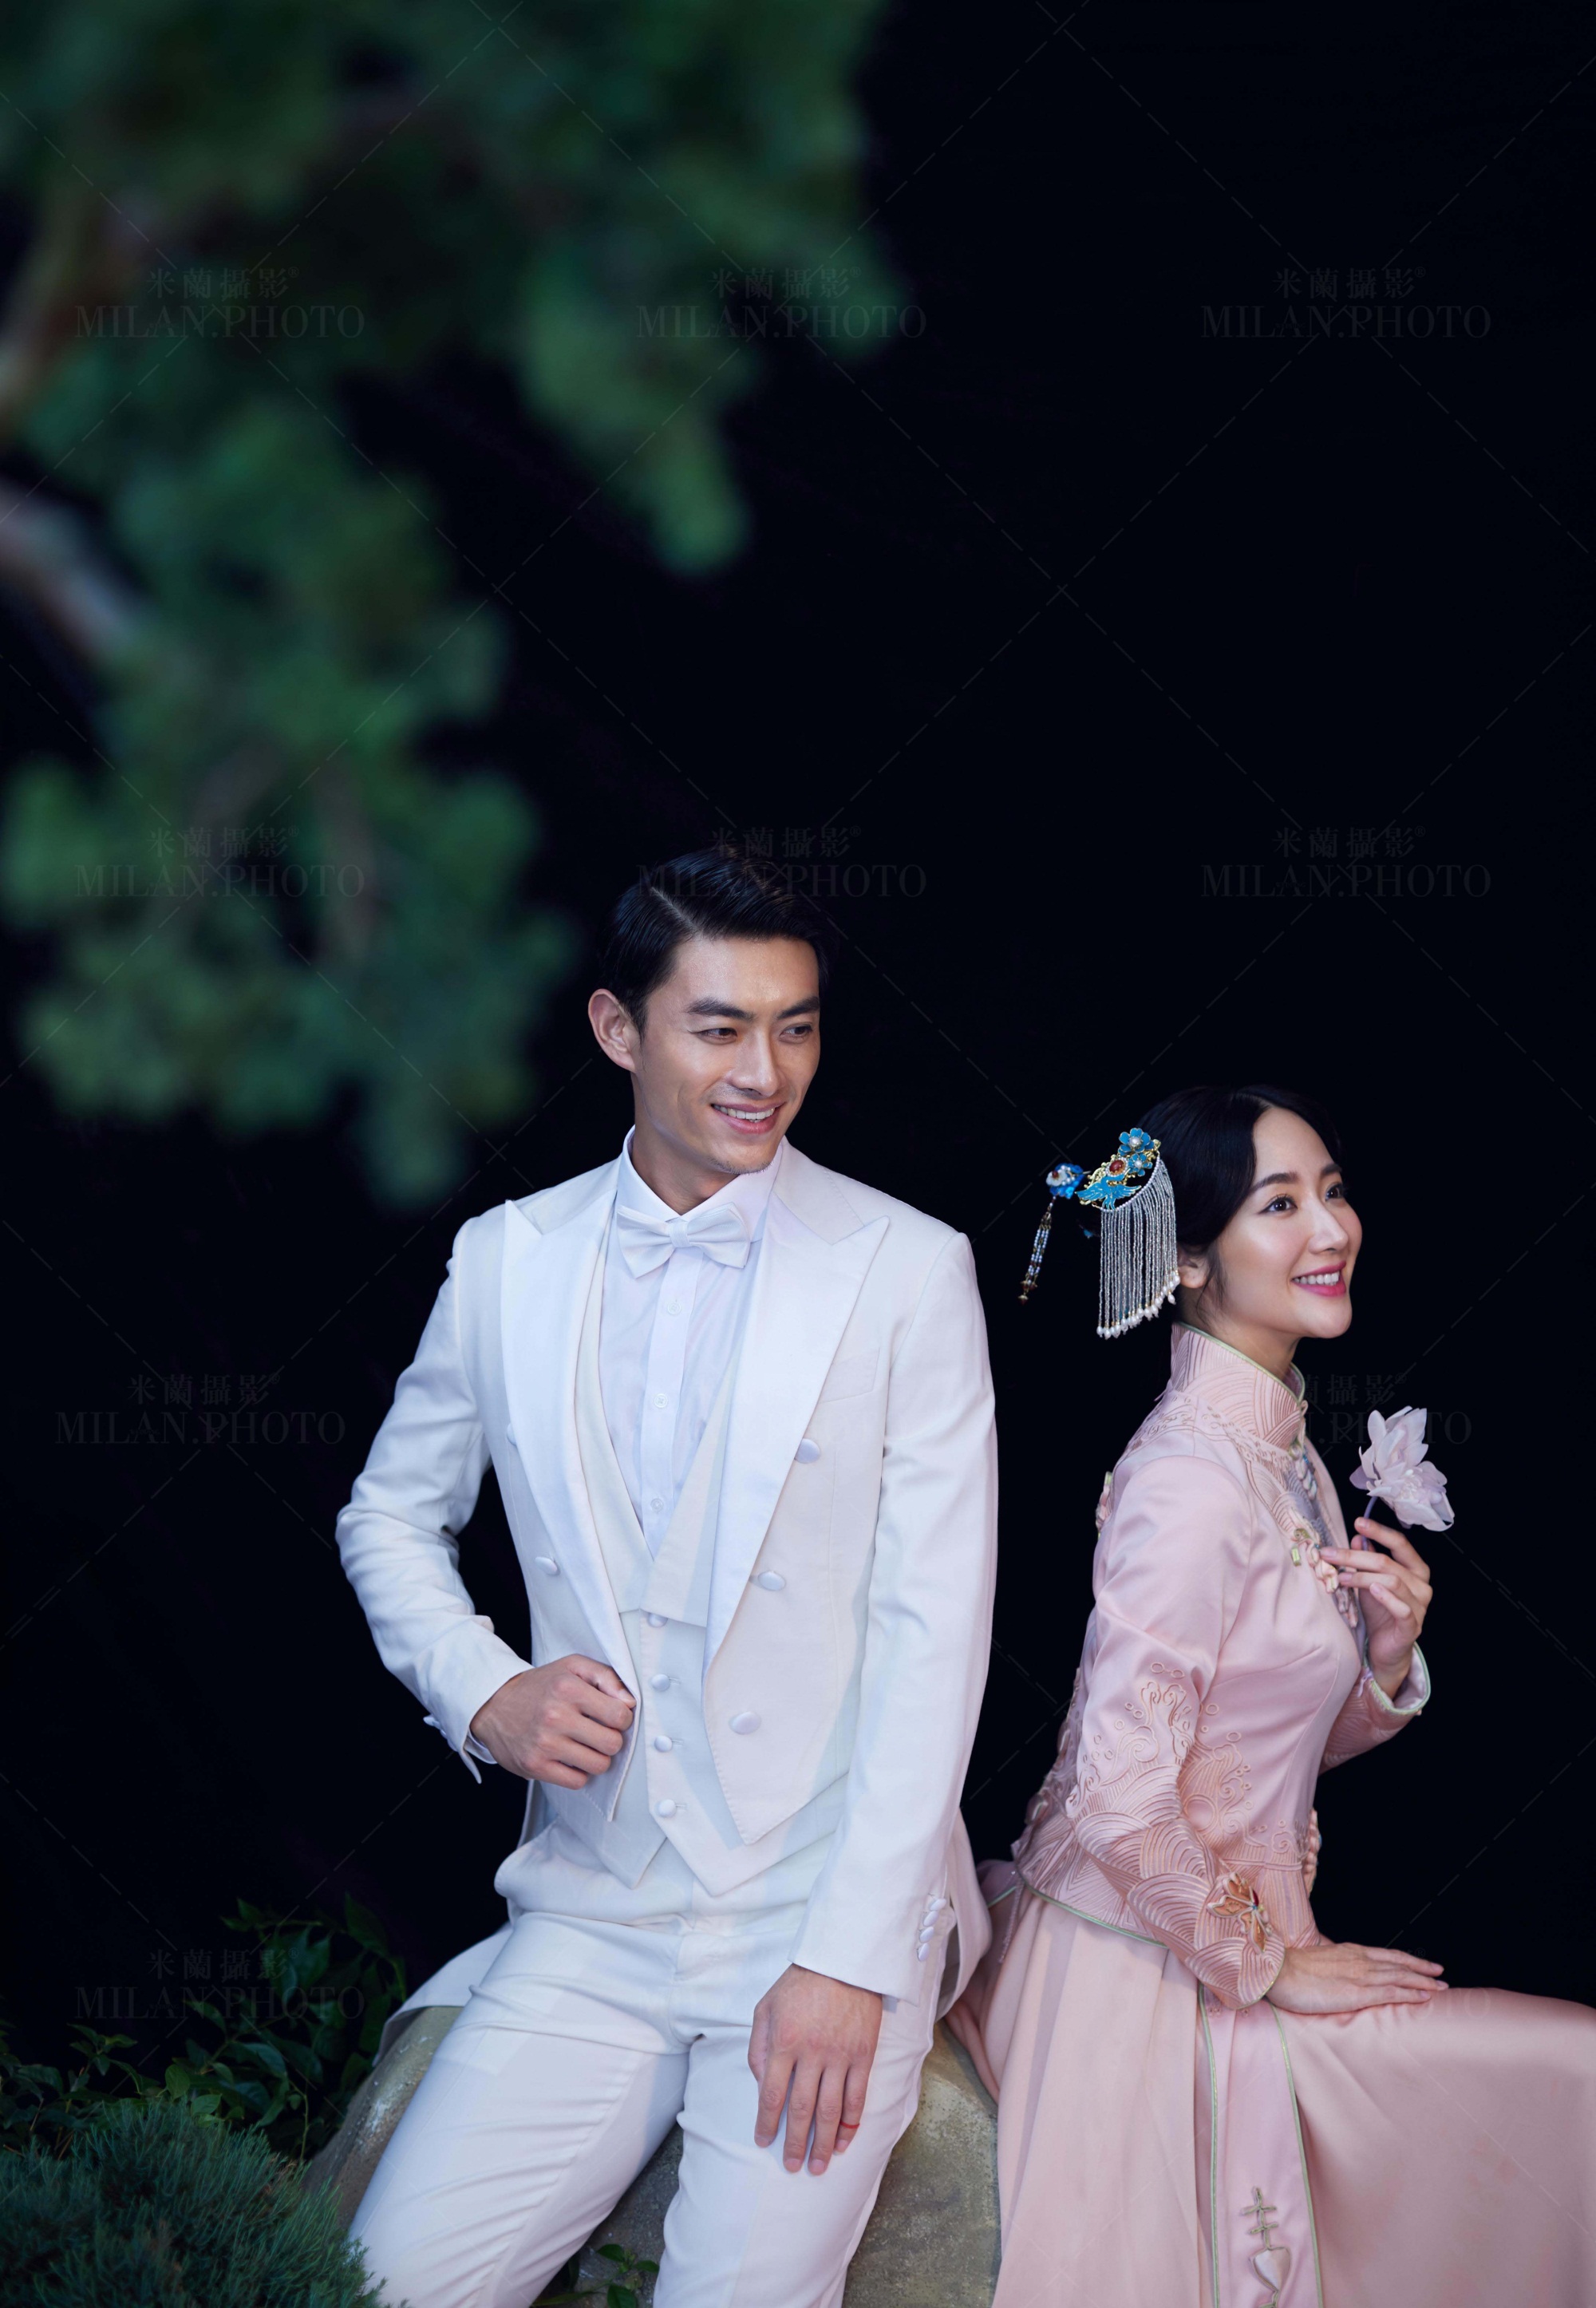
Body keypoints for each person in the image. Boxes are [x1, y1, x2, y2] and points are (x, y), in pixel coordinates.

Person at [335, 849, 998, 2308]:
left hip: (811, 1906)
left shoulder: (907, 1268)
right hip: (595, 1906)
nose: (766, 1072)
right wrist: (486, 1688)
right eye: (719, 1028)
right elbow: (387, 1516)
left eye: (797, 1027)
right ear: (616, 1030)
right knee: (381, 2289)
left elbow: (936, 1639)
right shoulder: (505, 1260)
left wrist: (852, 1962)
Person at [950, 1084, 1596, 2308]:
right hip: (1146, 1973)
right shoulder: (1188, 1479)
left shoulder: (1277, 1443)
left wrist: (1386, 1660)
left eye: (1334, 1192)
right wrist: (1268, 1966)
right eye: (1281, 1204)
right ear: (1188, 1260)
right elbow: (1116, 1793)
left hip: (1237, 1936)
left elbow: (1239, 1748)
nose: (1331, 1228)